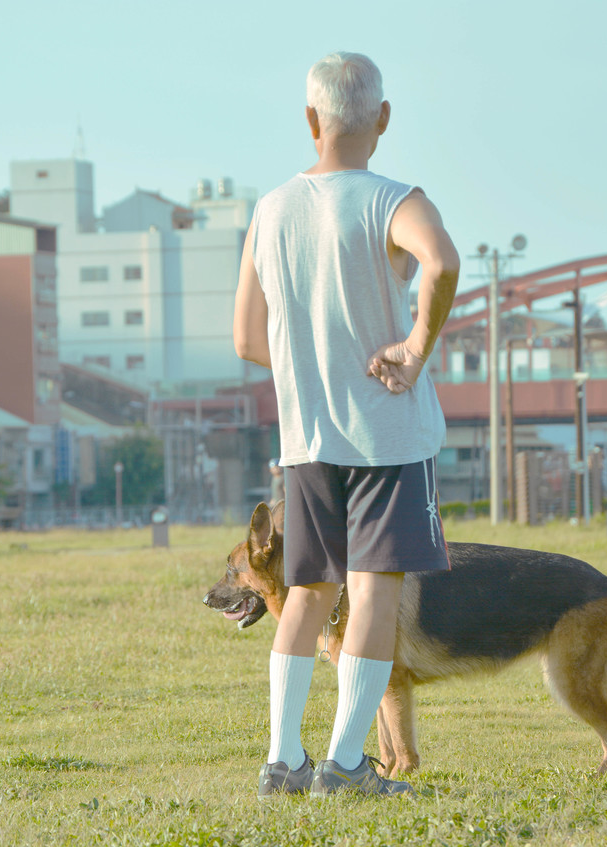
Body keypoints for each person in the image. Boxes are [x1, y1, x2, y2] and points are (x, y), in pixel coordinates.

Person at [233, 51, 460, 798]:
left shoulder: (269, 210)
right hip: (387, 435)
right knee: (374, 595)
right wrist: (415, 347)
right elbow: (443, 260)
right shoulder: (395, 198)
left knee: (305, 593)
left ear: (310, 120)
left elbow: (244, 338)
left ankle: (282, 761)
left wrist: (309, 366)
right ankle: (348, 765)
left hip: (307, 436)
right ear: (383, 120)